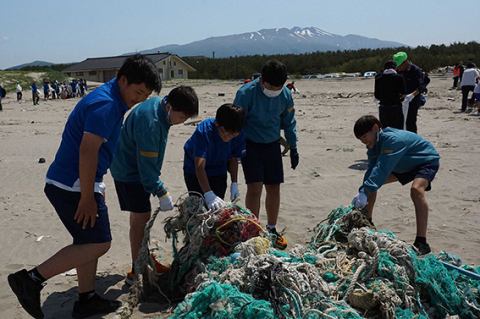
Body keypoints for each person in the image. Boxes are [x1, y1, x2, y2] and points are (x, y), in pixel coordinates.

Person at [7, 54, 162, 319]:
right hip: (72, 184)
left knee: (87, 240)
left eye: (145, 95)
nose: (140, 99)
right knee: (99, 243)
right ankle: (30, 279)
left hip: (76, 181)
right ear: (122, 80)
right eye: (137, 92)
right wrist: (87, 197)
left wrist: (96, 186)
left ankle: (86, 298)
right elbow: (87, 152)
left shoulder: (113, 97)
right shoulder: (106, 104)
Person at [110, 86, 198, 285]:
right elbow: (146, 169)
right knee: (141, 220)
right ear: (169, 106)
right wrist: (161, 191)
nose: (181, 121)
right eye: (181, 117)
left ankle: (144, 259)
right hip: (130, 173)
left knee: (140, 217)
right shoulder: (150, 123)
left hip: (133, 169)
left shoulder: (159, 106)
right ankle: (137, 268)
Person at [233, 59, 299, 250]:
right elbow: (236, 123)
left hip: (272, 145)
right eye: (271, 86)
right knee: (254, 187)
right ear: (262, 80)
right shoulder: (245, 94)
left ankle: (271, 228)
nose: (275, 90)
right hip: (250, 145)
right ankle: (253, 228)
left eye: (278, 87)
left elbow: (289, 122)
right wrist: (234, 151)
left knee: (274, 187)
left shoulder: (285, 95)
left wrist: (293, 147)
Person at [351, 115, 440, 255]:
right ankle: (367, 222)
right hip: (403, 165)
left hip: (425, 161)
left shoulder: (392, 139)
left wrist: (365, 190)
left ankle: (422, 242)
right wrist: (363, 191)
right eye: (360, 139)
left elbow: (383, 168)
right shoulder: (373, 145)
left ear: (375, 128)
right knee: (370, 183)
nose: (363, 141)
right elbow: (372, 170)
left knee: (416, 190)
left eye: (364, 136)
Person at [183, 103, 246, 210]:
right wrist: (208, 193)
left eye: (233, 135)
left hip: (219, 170)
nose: (228, 137)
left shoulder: (239, 134)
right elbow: (199, 166)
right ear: (217, 123)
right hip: (194, 171)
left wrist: (234, 183)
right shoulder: (204, 131)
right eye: (225, 132)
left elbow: (233, 158)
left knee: (217, 207)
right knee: (198, 207)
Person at [393, 52, 427, 133]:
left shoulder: (415, 70)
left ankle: (412, 140)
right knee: (400, 121)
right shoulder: (398, 71)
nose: (399, 67)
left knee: (410, 121)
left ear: (406, 61)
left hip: (413, 100)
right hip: (401, 100)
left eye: (400, 65)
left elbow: (421, 86)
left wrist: (412, 95)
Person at [374, 60, 412, 130]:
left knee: (386, 130)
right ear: (395, 68)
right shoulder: (399, 77)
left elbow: (377, 95)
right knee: (397, 130)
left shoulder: (378, 79)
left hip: (383, 108)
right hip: (395, 107)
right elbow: (404, 94)